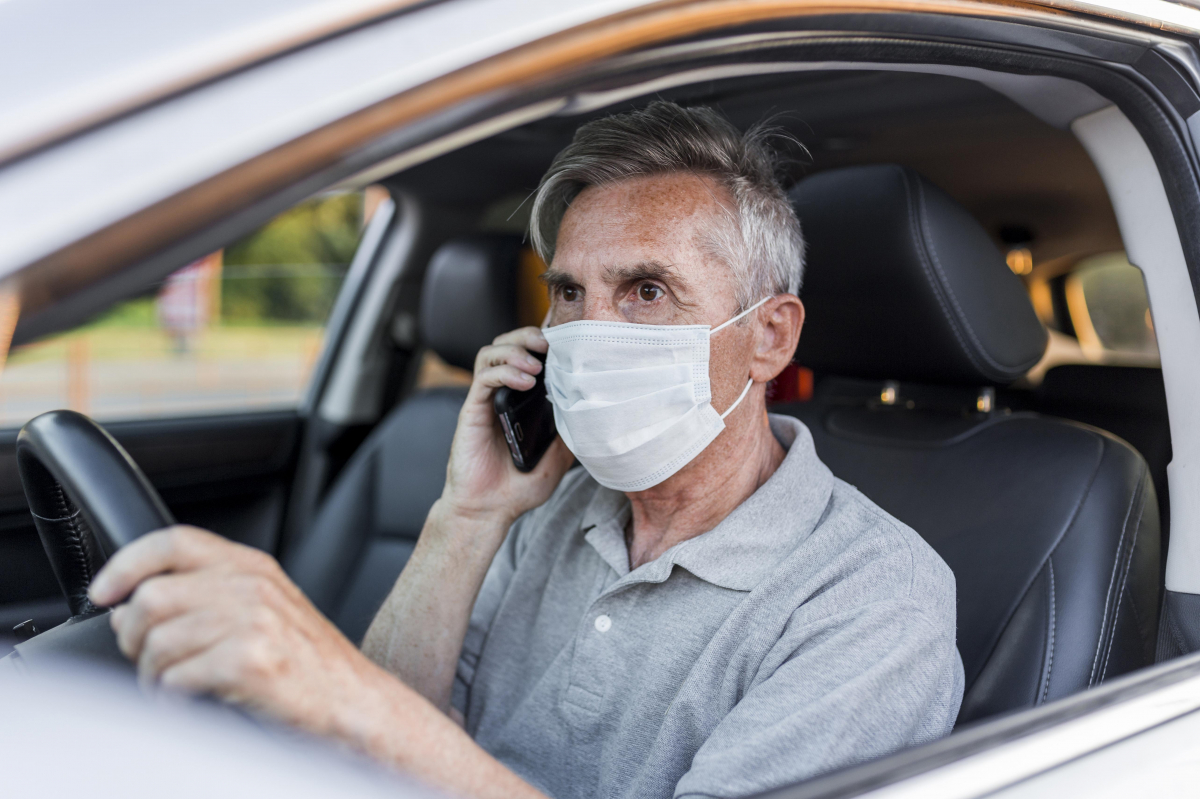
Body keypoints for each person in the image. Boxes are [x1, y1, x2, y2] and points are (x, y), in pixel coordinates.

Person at [88, 102, 964, 799]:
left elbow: (377, 724)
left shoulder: (875, 596)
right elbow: (371, 751)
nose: (590, 331)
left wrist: (346, 697)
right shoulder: (552, 508)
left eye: (647, 290)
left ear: (769, 337)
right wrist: (467, 514)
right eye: (571, 293)